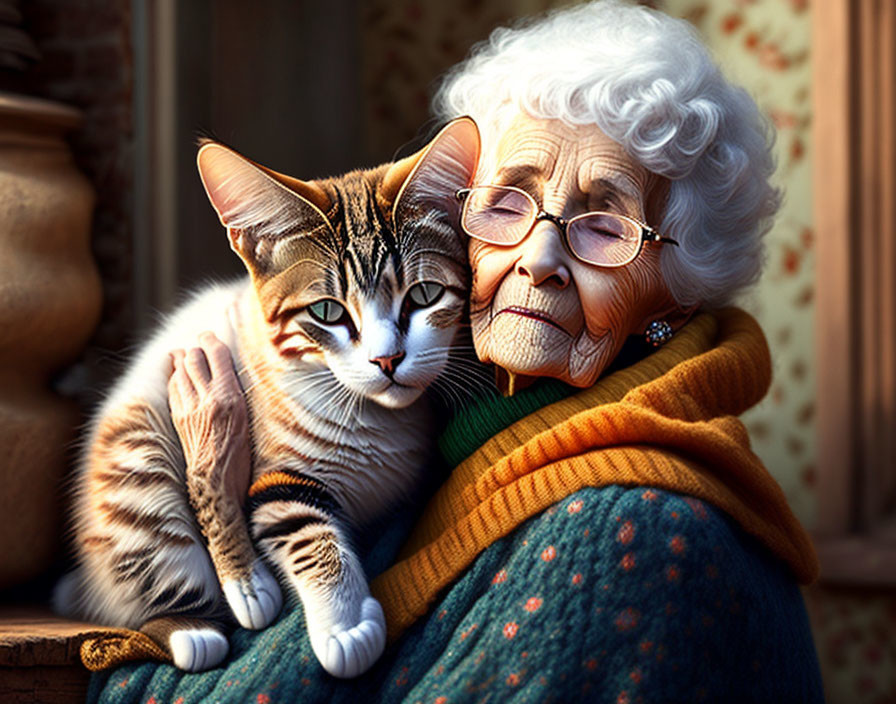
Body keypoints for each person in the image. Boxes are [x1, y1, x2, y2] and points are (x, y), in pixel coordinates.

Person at [85, 2, 823, 701]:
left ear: (676, 294)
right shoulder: (469, 426)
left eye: (604, 224)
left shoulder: (629, 532)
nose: (538, 257)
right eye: (507, 202)